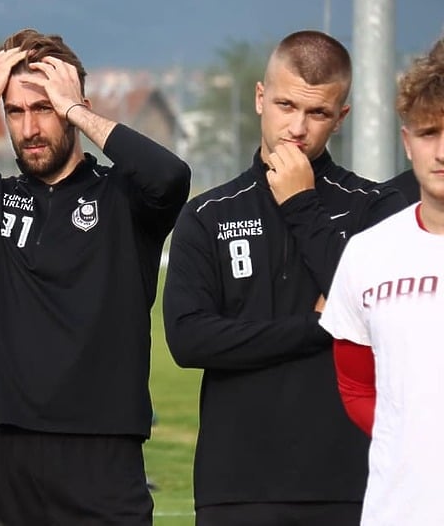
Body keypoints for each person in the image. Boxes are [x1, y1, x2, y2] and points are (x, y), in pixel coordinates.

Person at [0, 28, 191, 524]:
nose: (28, 128)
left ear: (73, 104)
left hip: (101, 448)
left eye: (42, 108)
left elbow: (172, 177)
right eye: (15, 111)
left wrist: (75, 110)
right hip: (4, 449)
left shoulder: (125, 199)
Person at [163, 30, 406, 525]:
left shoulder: (375, 207)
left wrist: (300, 204)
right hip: (235, 486)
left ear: (342, 117)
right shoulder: (207, 214)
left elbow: (374, 313)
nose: (297, 127)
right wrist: (316, 327)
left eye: (317, 113)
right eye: (285, 104)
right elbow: (190, 341)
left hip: (348, 483)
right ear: (260, 98)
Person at [320, 36, 444, 526]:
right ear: (406, 140)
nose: (441, 151)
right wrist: (409, 438)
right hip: (398, 511)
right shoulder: (368, 253)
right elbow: (354, 385)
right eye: (429, 132)